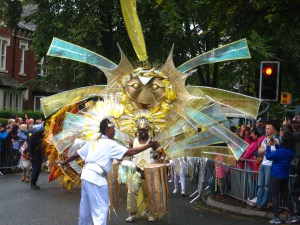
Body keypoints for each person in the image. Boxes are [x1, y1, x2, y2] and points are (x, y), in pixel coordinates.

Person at [58, 118, 157, 225]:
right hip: (96, 178)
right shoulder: (109, 143)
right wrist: (148, 145)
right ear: (107, 130)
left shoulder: (94, 141)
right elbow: (130, 152)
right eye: (113, 129)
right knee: (100, 210)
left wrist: (64, 162)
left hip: (86, 176)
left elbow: (76, 154)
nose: (114, 131)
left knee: (85, 209)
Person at [125, 118, 164, 222]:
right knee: (131, 193)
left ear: (148, 129)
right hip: (135, 170)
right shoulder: (132, 142)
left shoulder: (154, 142)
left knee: (149, 194)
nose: (143, 132)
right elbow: (127, 154)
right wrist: (127, 162)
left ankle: (151, 213)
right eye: (141, 130)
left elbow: (163, 154)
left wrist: (160, 159)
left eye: (145, 130)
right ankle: (132, 214)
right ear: (137, 130)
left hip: (148, 171)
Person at [266, 132, 297, 224]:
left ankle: (276, 218)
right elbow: (283, 151)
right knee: (286, 196)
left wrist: (268, 146)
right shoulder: (291, 152)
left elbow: (268, 156)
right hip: (285, 176)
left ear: (283, 140)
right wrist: (276, 144)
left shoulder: (280, 152)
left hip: (275, 175)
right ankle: (292, 216)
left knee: (275, 196)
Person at [255, 121, 278, 210]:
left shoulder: (275, 140)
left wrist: (264, 149)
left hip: (270, 165)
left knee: (267, 185)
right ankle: (258, 203)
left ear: (273, 130)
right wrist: (266, 150)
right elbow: (259, 150)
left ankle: (263, 204)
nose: (266, 130)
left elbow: (273, 152)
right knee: (260, 185)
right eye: (266, 128)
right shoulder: (265, 139)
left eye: (268, 128)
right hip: (263, 164)